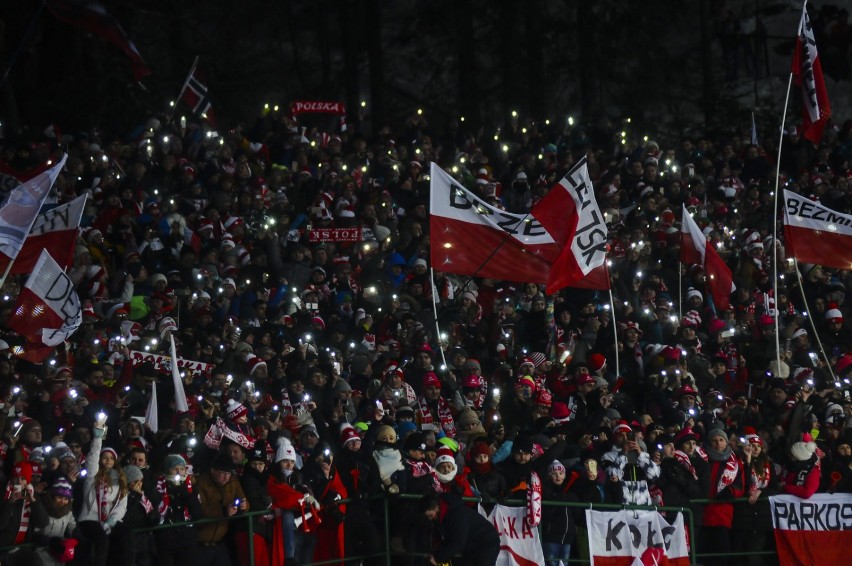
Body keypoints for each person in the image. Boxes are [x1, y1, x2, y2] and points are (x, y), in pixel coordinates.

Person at [76, 419, 128, 566]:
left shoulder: (121, 481)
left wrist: (112, 521)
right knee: (101, 538)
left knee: (125, 533)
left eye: (111, 458)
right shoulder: (92, 477)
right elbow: (92, 459)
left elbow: (121, 506)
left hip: (109, 521)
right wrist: (98, 438)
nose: (108, 460)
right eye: (105, 457)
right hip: (89, 519)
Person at [700, 427, 745, 566]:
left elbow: (740, 486)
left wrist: (730, 492)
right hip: (702, 512)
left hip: (722, 514)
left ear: (726, 442)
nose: (718, 443)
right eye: (714, 440)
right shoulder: (702, 459)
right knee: (703, 554)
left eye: (721, 440)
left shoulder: (735, 462)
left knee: (721, 554)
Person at [195, 450, 248, 566]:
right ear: (213, 470)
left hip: (220, 541)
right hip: (200, 544)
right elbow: (200, 510)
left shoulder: (232, 482)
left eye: (228, 474)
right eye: (222, 473)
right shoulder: (201, 483)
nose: (226, 477)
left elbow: (243, 500)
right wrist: (224, 511)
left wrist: (242, 507)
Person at [422, 493, 500, 566]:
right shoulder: (447, 513)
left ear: (436, 508)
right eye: (428, 517)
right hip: (472, 545)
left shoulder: (456, 515)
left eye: (431, 515)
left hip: (486, 543)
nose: (430, 519)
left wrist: (437, 557)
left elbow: (458, 542)